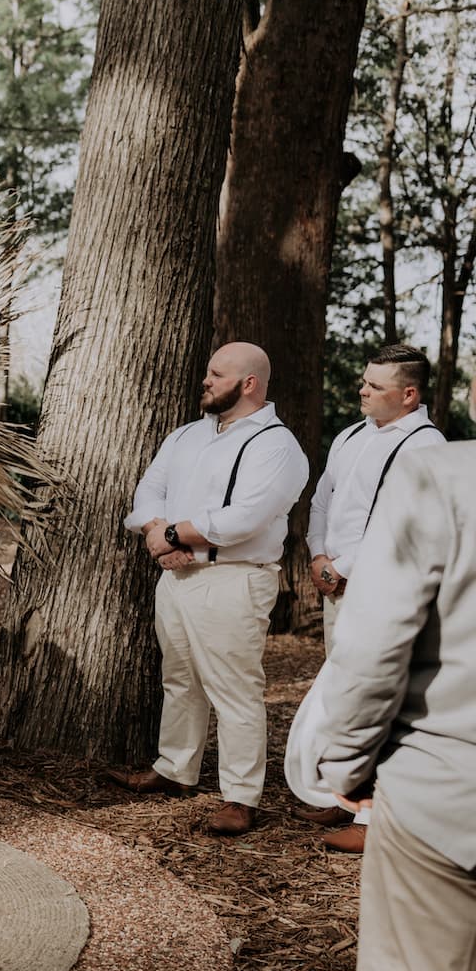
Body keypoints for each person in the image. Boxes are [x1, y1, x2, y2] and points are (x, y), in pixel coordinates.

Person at [287, 379, 476, 971]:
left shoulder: (440, 470)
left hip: (447, 796)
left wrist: (344, 768)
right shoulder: (355, 442)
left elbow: (374, 650)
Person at [109, 341, 309, 835]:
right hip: (175, 575)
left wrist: (175, 535)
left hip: (232, 579)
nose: (206, 380)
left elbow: (248, 517)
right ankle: (176, 768)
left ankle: (242, 797)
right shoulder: (185, 436)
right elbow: (149, 489)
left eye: (217, 374)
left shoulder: (277, 445)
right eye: (208, 371)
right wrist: (158, 534)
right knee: (179, 679)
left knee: (235, 690)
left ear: (249, 384)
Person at [300, 344, 444, 852]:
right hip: (334, 585)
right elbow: (323, 499)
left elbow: (403, 523)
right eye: (363, 381)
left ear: (408, 395)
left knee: (378, 698)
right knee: (343, 693)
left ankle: (373, 820)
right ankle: (345, 797)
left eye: (375, 386)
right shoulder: (351, 435)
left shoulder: (427, 446)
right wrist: (319, 556)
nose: (362, 390)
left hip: (384, 590)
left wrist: (346, 567)